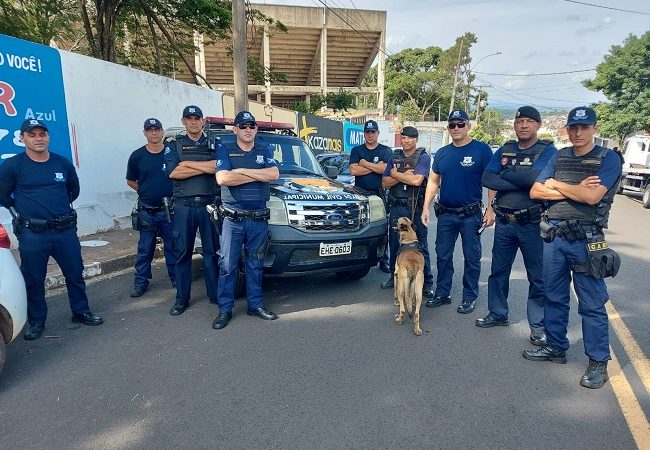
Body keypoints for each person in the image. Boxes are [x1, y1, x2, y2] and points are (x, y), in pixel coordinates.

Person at [524, 107, 622, 389]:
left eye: (584, 127)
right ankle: (556, 347)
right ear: (567, 129)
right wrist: (573, 186)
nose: (578, 133)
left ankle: (598, 362)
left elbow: (592, 197)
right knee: (554, 297)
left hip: (587, 241)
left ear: (594, 128)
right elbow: (535, 191)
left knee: (591, 304)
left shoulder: (608, 158)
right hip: (555, 238)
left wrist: (556, 183)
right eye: (573, 128)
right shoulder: (560, 155)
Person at [0, 119, 103, 340]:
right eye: (32, 135)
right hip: (33, 234)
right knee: (34, 278)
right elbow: (3, 195)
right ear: (22, 138)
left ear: (48, 137)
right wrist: (24, 209)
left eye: (42, 134)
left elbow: (72, 191)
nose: (38, 138)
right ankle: (37, 321)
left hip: (64, 231)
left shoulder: (62, 163)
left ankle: (81, 311)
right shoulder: (13, 166)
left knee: (75, 273)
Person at [477, 106, 556, 345]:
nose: (524, 125)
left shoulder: (547, 150)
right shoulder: (505, 149)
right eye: (520, 121)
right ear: (514, 124)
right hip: (504, 222)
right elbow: (487, 178)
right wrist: (518, 179)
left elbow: (535, 179)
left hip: (532, 223)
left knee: (537, 277)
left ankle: (538, 326)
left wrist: (507, 174)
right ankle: (498, 313)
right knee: (498, 272)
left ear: (538, 125)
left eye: (529, 121)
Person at [422, 109, 494, 314]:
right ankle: (442, 293)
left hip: (470, 215)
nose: (456, 128)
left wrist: (491, 209)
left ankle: (469, 297)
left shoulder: (481, 150)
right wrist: (425, 207)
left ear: (468, 126)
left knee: (472, 258)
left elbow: (491, 182)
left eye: (460, 124)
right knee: (443, 255)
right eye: (452, 125)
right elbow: (433, 182)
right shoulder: (443, 153)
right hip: (445, 214)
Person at [212, 111, 280, 330]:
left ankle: (255, 305)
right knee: (228, 266)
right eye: (243, 126)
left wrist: (240, 171)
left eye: (252, 126)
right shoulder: (225, 148)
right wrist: (256, 173)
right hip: (233, 219)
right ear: (236, 129)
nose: (248, 129)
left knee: (256, 265)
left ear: (256, 129)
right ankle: (224, 310)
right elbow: (223, 178)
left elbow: (273, 175)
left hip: (258, 220)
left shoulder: (264, 149)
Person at [164, 105, 219, 316]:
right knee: (183, 254)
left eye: (197, 118)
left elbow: (217, 167)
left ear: (203, 121)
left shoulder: (213, 143)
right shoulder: (174, 145)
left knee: (211, 253)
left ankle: (214, 296)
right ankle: (181, 299)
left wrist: (187, 164)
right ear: (183, 121)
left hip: (208, 205)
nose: (194, 122)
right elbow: (173, 173)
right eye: (190, 118)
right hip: (183, 207)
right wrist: (203, 165)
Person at [381, 126, 434, 299]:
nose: (406, 141)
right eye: (403, 137)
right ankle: (394, 276)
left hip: (415, 209)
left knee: (420, 245)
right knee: (395, 245)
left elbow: (417, 180)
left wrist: (396, 174)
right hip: (397, 207)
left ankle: (427, 283)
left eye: (410, 138)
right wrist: (401, 175)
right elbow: (384, 182)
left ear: (416, 139)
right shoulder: (394, 156)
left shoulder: (423, 157)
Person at [126, 118, 175, 297]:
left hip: (169, 211)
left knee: (172, 247)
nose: (154, 133)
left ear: (162, 132)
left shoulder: (171, 153)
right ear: (145, 133)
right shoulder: (137, 156)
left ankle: (176, 278)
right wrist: (145, 191)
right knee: (145, 249)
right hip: (147, 211)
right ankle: (141, 283)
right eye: (150, 130)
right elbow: (131, 180)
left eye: (157, 129)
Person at [349, 119, 393, 273]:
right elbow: (354, 171)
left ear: (378, 133)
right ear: (364, 134)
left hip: (378, 193)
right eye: (367, 132)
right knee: (359, 226)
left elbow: (386, 169)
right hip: (359, 194)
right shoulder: (357, 150)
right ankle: (357, 256)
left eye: (373, 132)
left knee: (382, 227)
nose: (370, 135)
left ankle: (384, 259)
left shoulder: (386, 150)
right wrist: (376, 167)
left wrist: (365, 164)